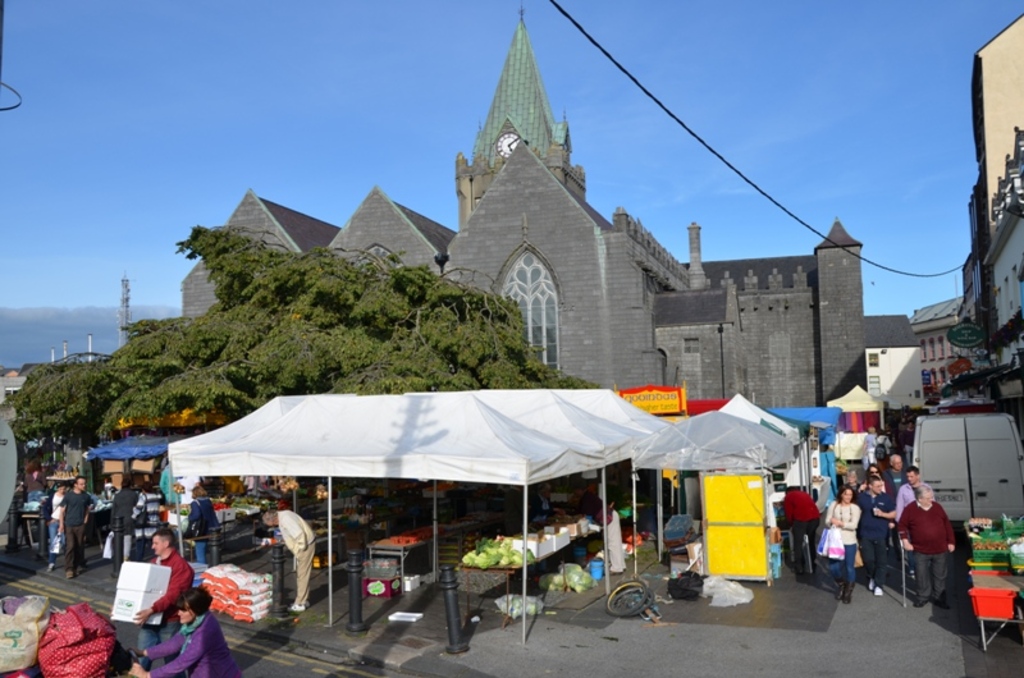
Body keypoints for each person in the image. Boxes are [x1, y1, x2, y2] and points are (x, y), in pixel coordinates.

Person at [128, 586, 241, 678]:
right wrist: (143, 652)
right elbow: (175, 643)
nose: (178, 613)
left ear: (195, 610)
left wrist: (148, 675)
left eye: (183, 610)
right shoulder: (193, 624)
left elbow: (183, 662)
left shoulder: (204, 632)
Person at [134, 528, 195, 674]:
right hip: (151, 619)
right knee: (141, 659)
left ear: (166, 543)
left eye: (155, 543)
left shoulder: (181, 567)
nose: (152, 546)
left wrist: (152, 609)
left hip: (170, 621)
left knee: (173, 663)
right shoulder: (154, 562)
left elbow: (173, 595)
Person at [897, 485, 955, 609]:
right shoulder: (910, 509)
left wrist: (951, 541)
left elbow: (947, 524)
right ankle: (922, 597)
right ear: (920, 498)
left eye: (931, 497)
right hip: (920, 550)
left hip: (940, 548)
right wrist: (905, 541)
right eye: (928, 498)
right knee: (921, 575)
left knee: (940, 575)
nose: (931, 500)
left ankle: (940, 598)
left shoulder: (937, 507)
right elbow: (902, 526)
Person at [262, 509, 315, 613]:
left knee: (302, 575)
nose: (271, 527)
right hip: (306, 544)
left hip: (305, 546)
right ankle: (303, 599)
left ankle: (300, 602)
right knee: (302, 574)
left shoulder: (286, 520)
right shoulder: (283, 515)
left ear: (273, 520)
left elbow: (299, 534)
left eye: (270, 524)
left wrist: (300, 549)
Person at [856, 476, 896, 596]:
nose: (880, 488)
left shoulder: (885, 497)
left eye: (881, 486)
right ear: (870, 486)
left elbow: (894, 512)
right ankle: (871, 577)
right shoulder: (862, 497)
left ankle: (879, 584)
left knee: (882, 561)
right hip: (865, 534)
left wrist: (883, 514)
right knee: (869, 560)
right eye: (878, 486)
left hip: (881, 534)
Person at [825, 486, 861, 604]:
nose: (848, 497)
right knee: (834, 566)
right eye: (846, 494)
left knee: (849, 566)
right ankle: (842, 584)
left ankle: (848, 592)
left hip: (849, 541)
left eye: (850, 495)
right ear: (841, 494)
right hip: (835, 540)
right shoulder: (834, 505)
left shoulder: (855, 508)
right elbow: (827, 520)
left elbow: (854, 525)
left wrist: (839, 523)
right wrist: (832, 522)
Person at [60, 475, 93, 579]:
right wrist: (61, 524)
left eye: (84, 484)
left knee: (79, 546)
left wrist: (86, 519)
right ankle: (69, 569)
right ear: (76, 485)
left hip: (80, 524)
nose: (84, 485)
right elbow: (62, 511)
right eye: (81, 484)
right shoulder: (69, 496)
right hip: (69, 524)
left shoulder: (86, 496)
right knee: (70, 546)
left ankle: (76, 566)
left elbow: (88, 508)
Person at [782, 486, 820, 575]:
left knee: (798, 543)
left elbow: (789, 512)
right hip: (814, 519)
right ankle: (812, 563)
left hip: (801, 520)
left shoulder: (788, 497)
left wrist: (791, 524)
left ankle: (799, 566)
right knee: (810, 541)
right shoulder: (805, 494)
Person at [187, 484, 220, 565]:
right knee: (213, 549)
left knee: (200, 551)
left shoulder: (195, 503)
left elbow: (196, 515)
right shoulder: (208, 501)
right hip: (212, 527)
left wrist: (189, 517)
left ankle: (202, 569)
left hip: (202, 529)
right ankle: (214, 566)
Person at [134, 482, 164, 561]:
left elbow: (138, 509)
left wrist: (133, 516)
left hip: (144, 526)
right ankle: (158, 560)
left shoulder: (144, 497)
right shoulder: (156, 497)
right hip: (154, 525)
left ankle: (139, 562)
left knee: (140, 547)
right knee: (154, 546)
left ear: (143, 489)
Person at [112, 478, 140, 561]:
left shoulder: (117, 495)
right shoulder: (134, 494)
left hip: (119, 519)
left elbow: (114, 509)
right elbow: (138, 507)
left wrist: (112, 522)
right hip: (130, 518)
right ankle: (126, 556)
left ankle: (118, 555)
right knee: (127, 538)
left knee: (119, 538)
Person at [43, 482, 68, 572]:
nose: (62, 490)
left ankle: (68, 561)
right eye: (60, 489)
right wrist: (49, 518)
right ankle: (51, 563)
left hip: (64, 522)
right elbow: (45, 508)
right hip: (54, 521)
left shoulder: (67, 496)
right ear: (57, 489)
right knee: (54, 543)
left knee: (65, 542)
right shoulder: (52, 496)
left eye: (64, 489)